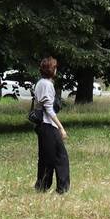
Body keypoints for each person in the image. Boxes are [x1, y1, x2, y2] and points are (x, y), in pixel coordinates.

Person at [33, 56, 69, 194]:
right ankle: (62, 189)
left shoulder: (40, 83)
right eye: (55, 67)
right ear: (51, 69)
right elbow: (49, 109)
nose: (56, 70)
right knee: (61, 157)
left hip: (41, 126)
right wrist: (61, 128)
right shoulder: (47, 85)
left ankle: (42, 186)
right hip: (48, 126)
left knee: (45, 157)